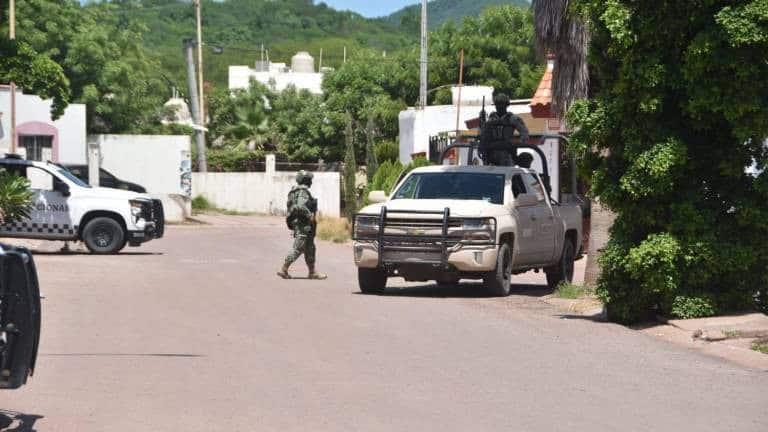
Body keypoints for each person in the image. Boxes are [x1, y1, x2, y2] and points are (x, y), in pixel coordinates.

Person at [277, 171, 327, 280]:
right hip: (303, 225)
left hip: (303, 225)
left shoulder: (295, 191)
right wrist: (309, 215)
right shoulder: (303, 192)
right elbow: (299, 206)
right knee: (298, 247)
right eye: (310, 179)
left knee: (310, 248)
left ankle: (312, 272)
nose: (311, 182)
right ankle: (284, 269)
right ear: (306, 180)